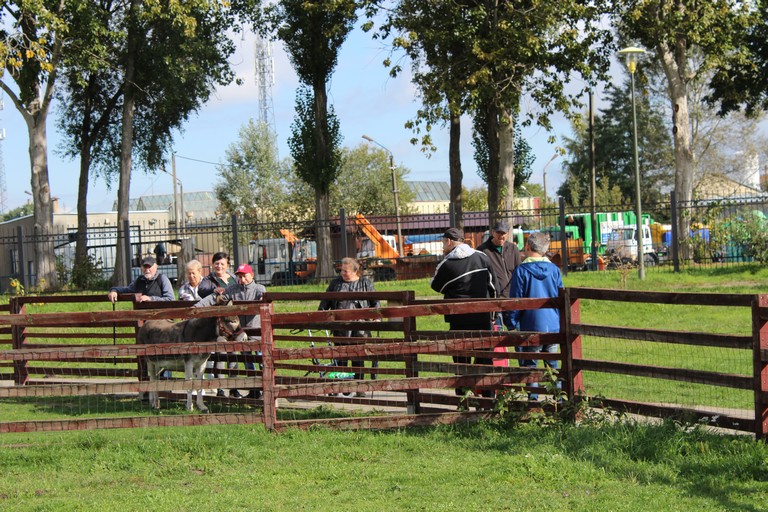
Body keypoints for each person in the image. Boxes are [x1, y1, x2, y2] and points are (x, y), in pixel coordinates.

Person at [430, 227, 497, 397]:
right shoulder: (482, 257)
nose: (442, 245)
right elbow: (493, 287)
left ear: (449, 241)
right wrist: (493, 316)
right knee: (484, 359)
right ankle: (488, 399)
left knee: (461, 362)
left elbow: (435, 286)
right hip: (483, 318)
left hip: (458, 320)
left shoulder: (447, 265)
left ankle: (463, 399)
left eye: (443, 242)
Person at [503, 231, 564, 401]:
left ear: (528, 247)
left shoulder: (522, 271)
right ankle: (560, 401)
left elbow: (516, 301)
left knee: (531, 367)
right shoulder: (554, 270)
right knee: (552, 365)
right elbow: (560, 297)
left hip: (530, 325)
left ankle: (533, 402)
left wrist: (511, 323)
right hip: (552, 326)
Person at [195, 263, 266, 399]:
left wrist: (262, 300)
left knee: (261, 361)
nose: (242, 279)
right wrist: (197, 307)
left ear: (252, 275)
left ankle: (265, 389)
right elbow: (213, 298)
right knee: (248, 361)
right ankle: (255, 390)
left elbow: (263, 297)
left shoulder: (258, 288)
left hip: (257, 332)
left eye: (244, 276)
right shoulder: (233, 289)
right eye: (239, 276)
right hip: (241, 332)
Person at [318, 257, 379, 397]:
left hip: (360, 327)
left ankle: (359, 387)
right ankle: (342, 386)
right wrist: (321, 314)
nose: (342, 273)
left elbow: (375, 302)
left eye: (346, 271)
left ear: (355, 271)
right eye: (341, 270)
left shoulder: (365, 283)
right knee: (341, 358)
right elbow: (325, 302)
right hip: (340, 327)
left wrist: (376, 317)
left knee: (358, 358)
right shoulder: (335, 284)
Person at [476, 221, 522, 301]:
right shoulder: (483, 250)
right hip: (495, 296)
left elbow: (519, 270)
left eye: (503, 233)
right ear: (493, 232)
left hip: (513, 293)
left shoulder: (513, 248)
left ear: (508, 234)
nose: (501, 236)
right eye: (498, 232)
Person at [107, 256, 175, 303]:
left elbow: (170, 299)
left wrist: (151, 299)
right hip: (141, 316)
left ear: (156, 267)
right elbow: (127, 290)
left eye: (149, 267)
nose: (147, 270)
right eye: (145, 267)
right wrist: (114, 290)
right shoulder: (139, 280)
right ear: (141, 268)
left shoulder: (162, 279)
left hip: (160, 316)